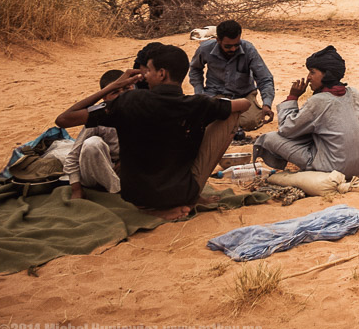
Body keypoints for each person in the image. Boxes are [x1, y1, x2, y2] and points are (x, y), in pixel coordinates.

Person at [56, 44, 249, 220]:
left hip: (137, 196)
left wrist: (112, 86)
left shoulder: (128, 102)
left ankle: (152, 208)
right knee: (230, 114)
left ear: (162, 74)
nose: (144, 75)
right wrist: (212, 108)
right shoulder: (197, 105)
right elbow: (245, 104)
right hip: (182, 192)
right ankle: (192, 197)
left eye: (148, 70)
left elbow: (64, 119)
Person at [251, 46, 359, 178]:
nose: (308, 77)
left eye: (312, 72)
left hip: (334, 169)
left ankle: (310, 168)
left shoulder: (318, 101)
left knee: (268, 138)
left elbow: (286, 129)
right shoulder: (355, 93)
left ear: (326, 74)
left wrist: (293, 97)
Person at [188, 19, 275, 131]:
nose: (233, 49)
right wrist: (200, 94)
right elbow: (195, 69)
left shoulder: (249, 49)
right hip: (216, 94)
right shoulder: (205, 48)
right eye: (228, 46)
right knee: (203, 119)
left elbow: (264, 78)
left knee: (250, 122)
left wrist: (267, 104)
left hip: (243, 96)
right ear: (218, 40)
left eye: (236, 45)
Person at [63, 69, 127, 199]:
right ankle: (118, 191)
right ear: (105, 97)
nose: (122, 95)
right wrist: (76, 190)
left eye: (126, 89)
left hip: (125, 171)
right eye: (115, 92)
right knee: (92, 144)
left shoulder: (140, 108)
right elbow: (72, 158)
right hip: (95, 173)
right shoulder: (99, 116)